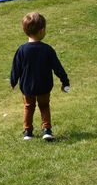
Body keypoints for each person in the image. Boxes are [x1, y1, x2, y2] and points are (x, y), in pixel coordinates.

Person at [10, 12, 70, 141]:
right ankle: (47, 130)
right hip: (44, 85)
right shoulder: (47, 49)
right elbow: (57, 67)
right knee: (44, 106)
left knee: (28, 107)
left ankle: (28, 131)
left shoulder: (22, 50)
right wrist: (65, 81)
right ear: (42, 30)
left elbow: (16, 67)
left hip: (28, 87)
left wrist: (13, 81)